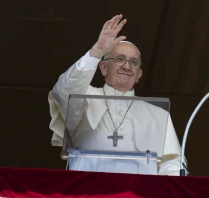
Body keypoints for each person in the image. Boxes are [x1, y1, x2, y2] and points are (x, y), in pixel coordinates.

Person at [48, 14, 186, 175]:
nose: (127, 66)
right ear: (104, 67)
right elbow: (63, 92)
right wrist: (97, 51)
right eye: (120, 59)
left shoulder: (158, 114)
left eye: (133, 62)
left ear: (139, 74)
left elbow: (172, 165)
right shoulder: (84, 98)